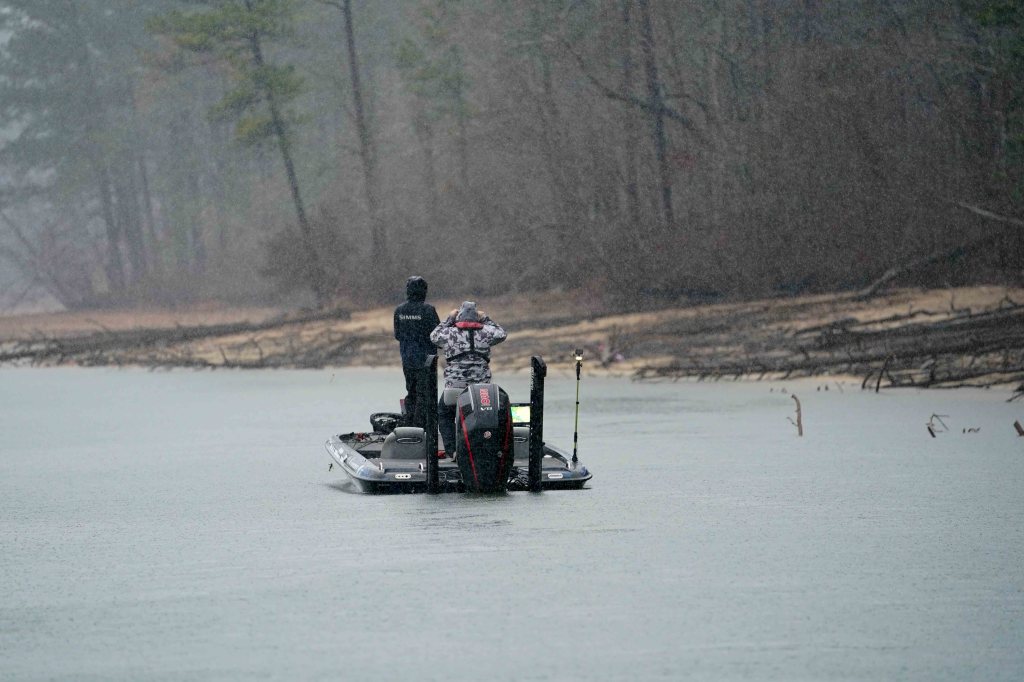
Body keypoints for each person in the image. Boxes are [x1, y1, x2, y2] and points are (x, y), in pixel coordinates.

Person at [430, 300, 507, 457]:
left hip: (455, 387)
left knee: (444, 414)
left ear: (459, 317)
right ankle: (482, 449)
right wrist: (485, 318)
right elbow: (502, 333)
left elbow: (434, 336)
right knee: (481, 418)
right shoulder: (486, 332)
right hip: (481, 390)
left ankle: (452, 451)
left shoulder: (450, 333)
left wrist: (449, 319)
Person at [393, 276, 439, 427]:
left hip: (407, 359)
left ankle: (409, 423)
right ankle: (421, 427)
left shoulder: (399, 310)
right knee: (424, 395)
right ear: (423, 291)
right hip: (426, 361)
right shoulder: (428, 310)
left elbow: (397, 335)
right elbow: (437, 336)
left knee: (411, 392)